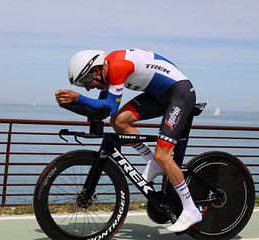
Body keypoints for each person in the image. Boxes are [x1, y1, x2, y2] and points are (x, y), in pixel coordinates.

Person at [55, 48, 202, 232]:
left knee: (164, 155)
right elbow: (105, 112)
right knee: (119, 121)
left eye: (86, 80)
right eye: (82, 85)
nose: (87, 87)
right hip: (158, 96)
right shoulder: (107, 72)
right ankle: (152, 161)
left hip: (180, 93)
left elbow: (108, 106)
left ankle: (191, 210)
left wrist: (78, 98)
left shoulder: (117, 66)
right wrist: (75, 104)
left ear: (98, 69)